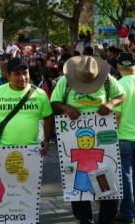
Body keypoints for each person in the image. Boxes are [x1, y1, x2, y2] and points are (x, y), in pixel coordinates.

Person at [50, 55, 125, 224]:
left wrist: (111, 104)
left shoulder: (107, 80)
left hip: (103, 138)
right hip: (73, 137)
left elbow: (122, 95)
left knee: (107, 174)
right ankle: (84, 218)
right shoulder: (65, 81)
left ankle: (106, 217)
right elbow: (54, 102)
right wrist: (65, 107)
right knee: (77, 178)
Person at [0, 57, 53, 155]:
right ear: (8, 76)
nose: (22, 77)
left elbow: (48, 117)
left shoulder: (40, 94)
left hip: (32, 151)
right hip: (2, 149)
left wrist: (46, 140)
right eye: (17, 74)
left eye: (25, 73)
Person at [114, 52, 135, 223]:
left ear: (119, 68)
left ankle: (127, 212)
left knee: (126, 177)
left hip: (124, 137)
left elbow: (117, 116)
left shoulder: (119, 86)